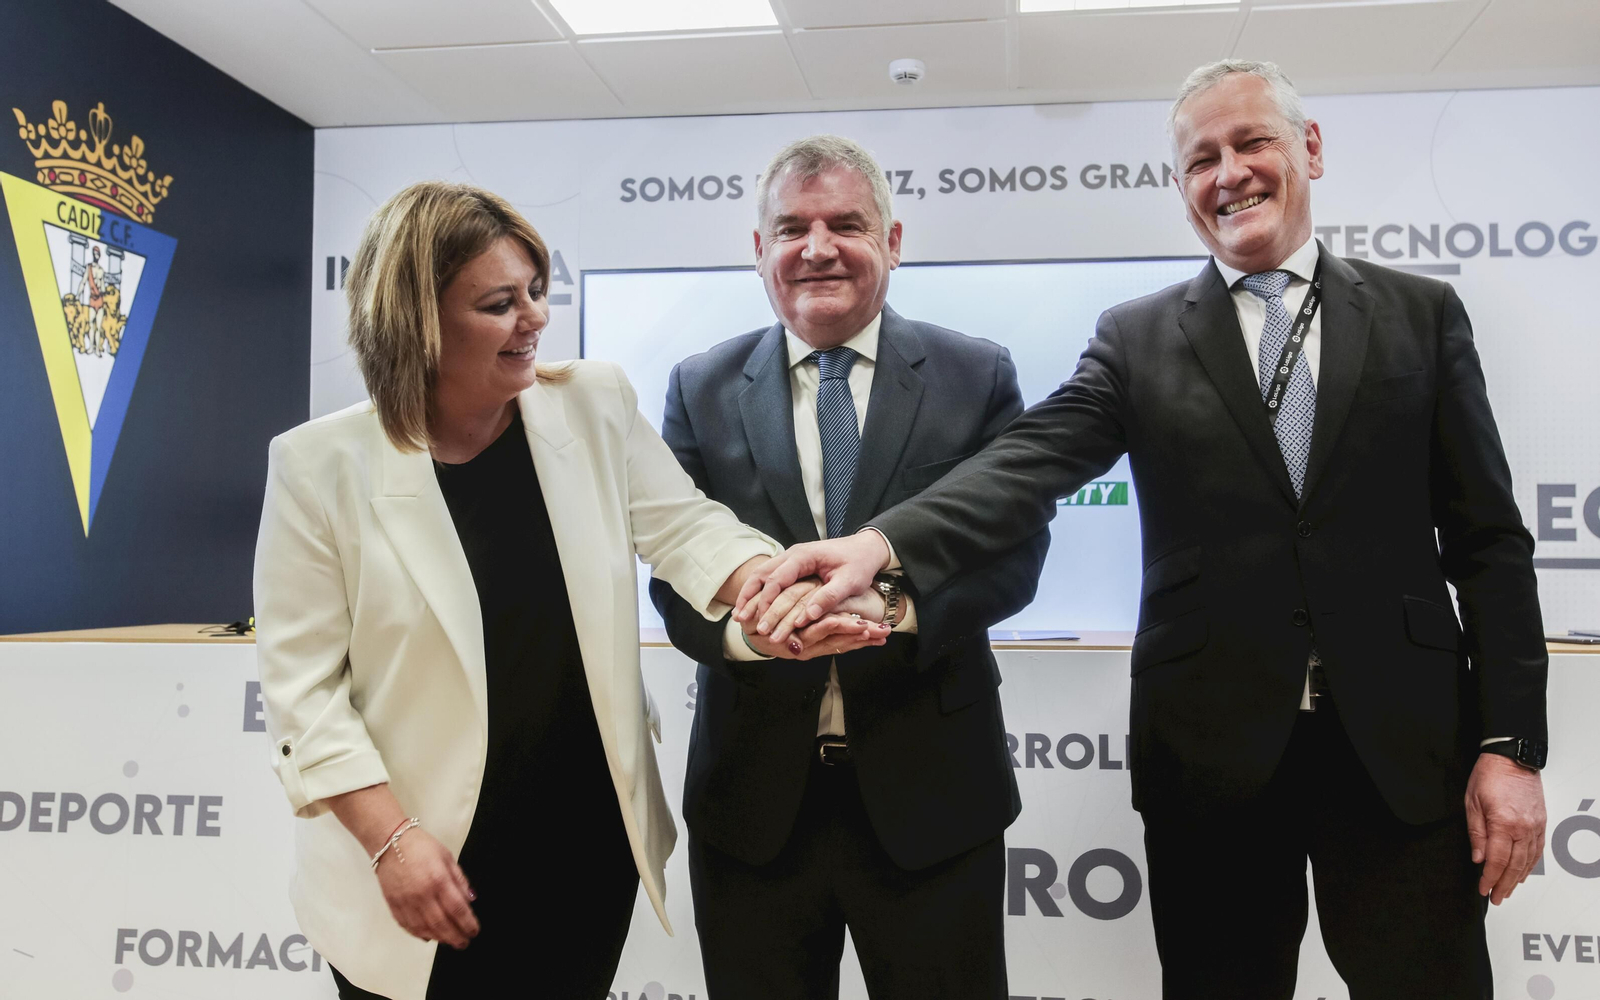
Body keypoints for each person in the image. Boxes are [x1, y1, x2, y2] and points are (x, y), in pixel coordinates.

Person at [737, 63, 1549, 999]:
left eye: (1252, 143)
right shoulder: (1137, 338)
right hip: (1214, 767)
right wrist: (881, 546)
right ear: (1181, 185)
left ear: (1310, 149)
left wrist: (1512, 746)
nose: (1228, 173)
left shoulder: (1421, 313)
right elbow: (1024, 463)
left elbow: (1490, 544)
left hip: (1408, 757)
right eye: (1201, 158)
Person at [253, 181, 809, 1000]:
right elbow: (304, 692)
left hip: (583, 845)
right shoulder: (318, 466)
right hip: (417, 862)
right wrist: (391, 841)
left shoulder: (593, 404)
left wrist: (774, 584)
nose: (536, 318)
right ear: (417, 320)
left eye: (538, 292)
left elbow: (687, 530)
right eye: (500, 303)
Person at [651, 135, 1049, 999]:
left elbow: (1014, 555)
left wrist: (892, 610)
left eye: (846, 224)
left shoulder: (973, 374)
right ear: (760, 251)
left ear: (893, 241)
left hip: (936, 802)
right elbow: (673, 573)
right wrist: (754, 638)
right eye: (791, 227)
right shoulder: (700, 385)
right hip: (754, 809)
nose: (817, 247)